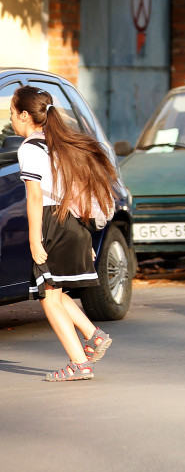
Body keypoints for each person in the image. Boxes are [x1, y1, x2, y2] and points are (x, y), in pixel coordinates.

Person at [11, 86, 118, 381]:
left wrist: (34, 239)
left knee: (48, 295)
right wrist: (84, 237)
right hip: (72, 222)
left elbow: (34, 197)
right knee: (56, 289)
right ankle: (93, 335)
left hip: (51, 222)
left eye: (11, 113)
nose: (11, 120)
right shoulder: (61, 144)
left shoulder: (30, 148)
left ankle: (79, 363)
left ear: (24, 115)